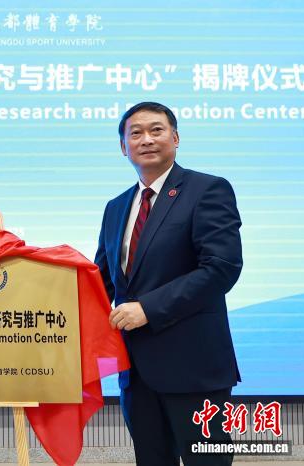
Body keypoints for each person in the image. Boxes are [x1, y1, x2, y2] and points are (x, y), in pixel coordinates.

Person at [94, 102, 243, 465]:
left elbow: (221, 268)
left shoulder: (207, 189)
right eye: (136, 133)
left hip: (194, 367)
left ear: (175, 138)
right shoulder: (116, 207)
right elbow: (102, 281)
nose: (146, 139)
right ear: (123, 147)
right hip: (136, 371)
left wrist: (148, 308)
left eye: (156, 130)